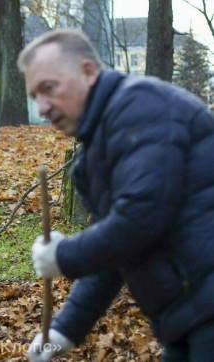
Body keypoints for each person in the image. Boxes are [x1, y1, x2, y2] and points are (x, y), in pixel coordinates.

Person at [18, 29, 214, 361]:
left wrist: (63, 256)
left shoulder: (141, 107)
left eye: (49, 89)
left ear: (88, 71)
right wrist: (63, 331)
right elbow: (116, 252)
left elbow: (140, 219)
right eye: (35, 95)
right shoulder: (101, 147)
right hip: (188, 317)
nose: (42, 108)